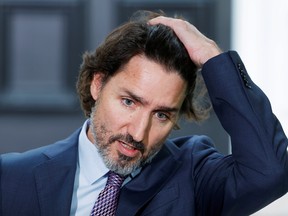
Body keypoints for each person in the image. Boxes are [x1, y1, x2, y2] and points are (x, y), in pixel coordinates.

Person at [1, 10, 287, 216]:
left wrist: (213, 58)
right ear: (97, 84)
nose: (138, 133)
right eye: (129, 102)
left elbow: (271, 172)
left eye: (161, 115)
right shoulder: (11, 179)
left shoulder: (194, 178)